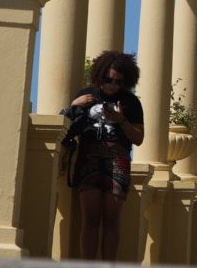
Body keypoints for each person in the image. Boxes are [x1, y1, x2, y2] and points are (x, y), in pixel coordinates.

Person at [61, 51, 145, 262]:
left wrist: (121, 120)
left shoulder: (130, 102)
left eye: (119, 82)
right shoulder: (86, 95)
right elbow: (63, 126)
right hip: (88, 158)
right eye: (109, 80)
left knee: (112, 220)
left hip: (118, 160)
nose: (113, 86)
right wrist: (74, 105)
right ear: (100, 76)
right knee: (90, 219)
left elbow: (138, 138)